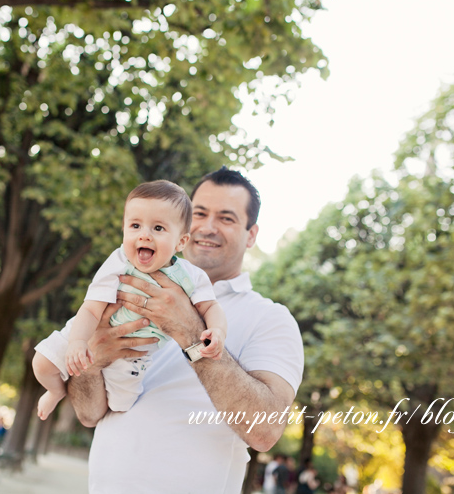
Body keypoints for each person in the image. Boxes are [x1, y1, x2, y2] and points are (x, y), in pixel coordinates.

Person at [67, 167, 304, 493]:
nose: (207, 227)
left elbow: (265, 430)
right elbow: (88, 414)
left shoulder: (271, 318)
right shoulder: (125, 289)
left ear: (251, 234)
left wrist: (190, 330)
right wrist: (92, 362)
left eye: (227, 218)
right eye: (200, 213)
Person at [33, 180, 227, 419]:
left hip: (135, 355)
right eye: (135, 225)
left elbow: (210, 307)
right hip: (87, 331)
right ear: (124, 230)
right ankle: (55, 391)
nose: (144, 235)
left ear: (181, 242)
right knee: (41, 364)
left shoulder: (191, 276)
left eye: (158, 228)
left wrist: (217, 331)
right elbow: (91, 309)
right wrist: (77, 342)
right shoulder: (119, 261)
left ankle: (97, 385)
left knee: (120, 405)